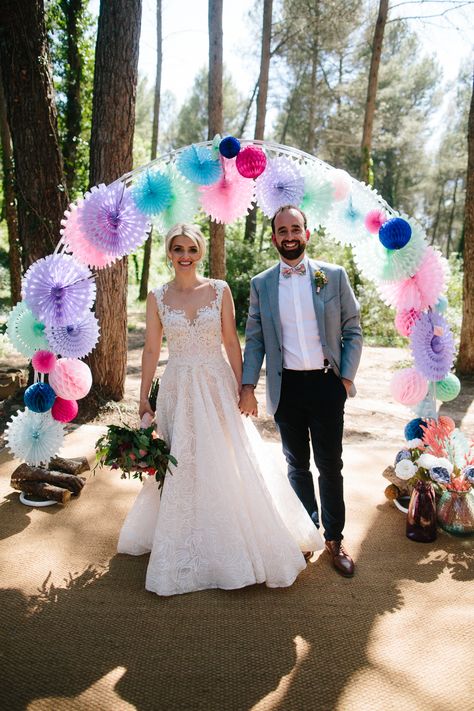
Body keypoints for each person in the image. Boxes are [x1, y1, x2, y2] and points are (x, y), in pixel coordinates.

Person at [118, 223, 323, 596]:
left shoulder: (219, 290)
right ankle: (183, 537)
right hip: (179, 386)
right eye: (178, 249)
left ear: (200, 252)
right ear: (169, 252)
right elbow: (150, 349)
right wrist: (143, 395)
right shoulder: (157, 297)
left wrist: (245, 388)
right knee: (183, 460)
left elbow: (232, 341)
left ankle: (233, 536)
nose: (185, 256)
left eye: (191, 249)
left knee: (226, 458)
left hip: (215, 384)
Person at [239, 205, 363, 577]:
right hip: (287, 386)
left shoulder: (334, 276)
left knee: (330, 465)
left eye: (296, 228)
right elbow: (256, 339)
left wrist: (343, 381)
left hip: (327, 384)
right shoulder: (262, 284)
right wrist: (248, 385)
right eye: (282, 230)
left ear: (306, 233)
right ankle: (307, 533)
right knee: (296, 466)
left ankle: (335, 538)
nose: (289, 236)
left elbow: (353, 330)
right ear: (274, 237)